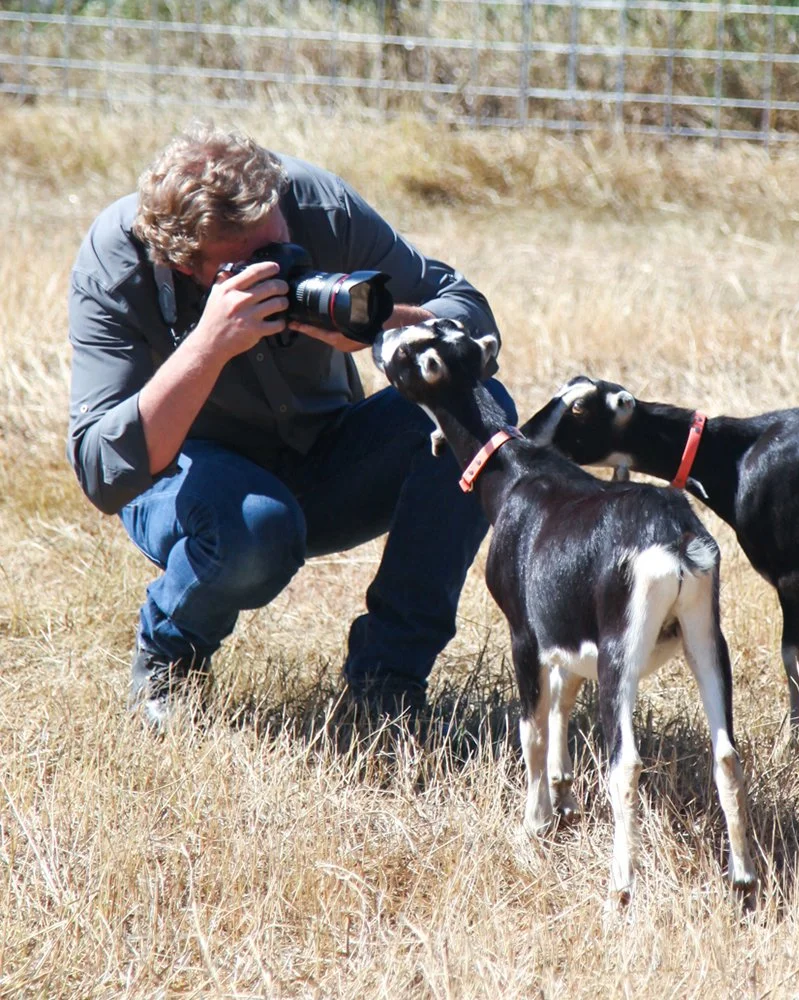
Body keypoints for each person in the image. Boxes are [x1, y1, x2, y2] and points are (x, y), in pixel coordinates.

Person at [67, 123, 516, 728]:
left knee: (476, 407)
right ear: (187, 262)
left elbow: (468, 318)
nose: (280, 267)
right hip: (192, 483)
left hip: (326, 458)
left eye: (280, 247)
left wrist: (377, 323)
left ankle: (389, 679)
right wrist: (208, 346)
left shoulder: (315, 206)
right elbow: (102, 470)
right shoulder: (115, 260)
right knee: (256, 525)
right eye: (250, 265)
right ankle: (169, 663)